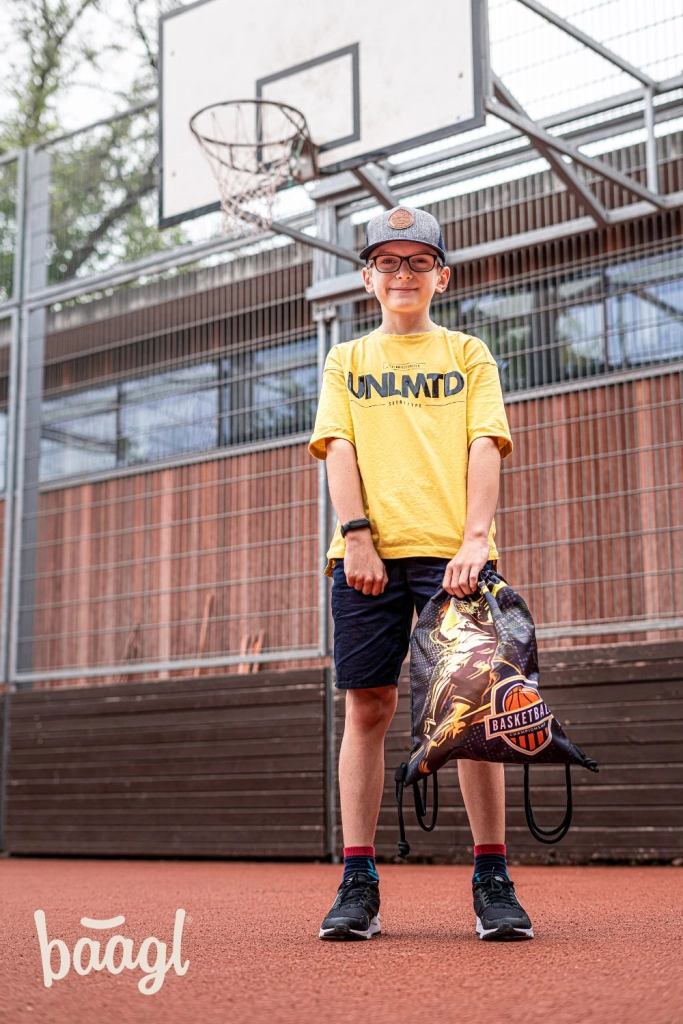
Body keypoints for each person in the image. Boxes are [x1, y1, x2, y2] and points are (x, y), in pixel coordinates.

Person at [308, 205, 534, 942]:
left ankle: (492, 878)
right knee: (368, 708)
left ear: (442, 276)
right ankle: (358, 882)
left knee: (473, 713)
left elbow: (485, 444)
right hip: (366, 554)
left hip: (454, 555)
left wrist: (475, 541)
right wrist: (356, 536)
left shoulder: (468, 353)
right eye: (387, 261)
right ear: (367, 277)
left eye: (417, 262)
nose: (401, 273)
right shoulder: (346, 360)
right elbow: (338, 448)